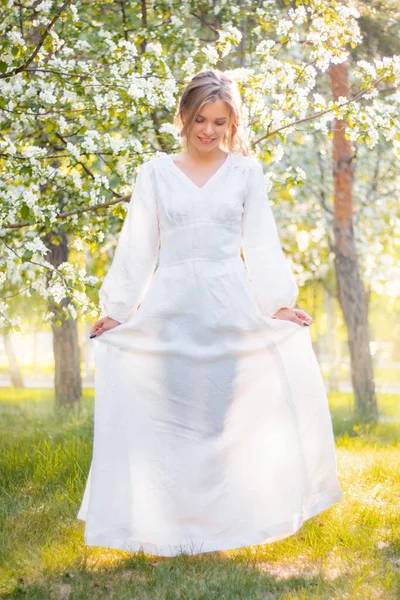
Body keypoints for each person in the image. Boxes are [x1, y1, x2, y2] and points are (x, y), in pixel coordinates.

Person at [77, 69, 343, 558]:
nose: (208, 131)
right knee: (175, 415)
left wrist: (277, 304)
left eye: (219, 122)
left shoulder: (246, 172)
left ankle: (221, 529)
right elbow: (138, 245)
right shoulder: (155, 172)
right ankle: (174, 528)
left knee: (220, 419)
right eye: (200, 119)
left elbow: (261, 242)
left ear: (231, 124)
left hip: (228, 304)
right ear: (183, 116)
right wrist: (119, 309)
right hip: (171, 305)